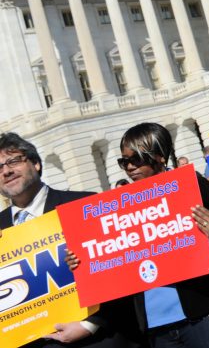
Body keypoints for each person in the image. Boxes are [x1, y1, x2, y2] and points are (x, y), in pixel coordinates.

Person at [70, 123, 209, 347]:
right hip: (158, 331)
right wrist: (81, 260)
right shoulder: (118, 205)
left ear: (160, 156)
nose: (130, 167)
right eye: (124, 161)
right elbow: (111, 264)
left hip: (206, 317)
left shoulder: (193, 185)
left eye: (137, 159)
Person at [0, 133, 140, 348]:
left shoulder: (87, 204)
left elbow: (126, 272)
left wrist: (90, 325)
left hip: (98, 340)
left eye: (13, 161)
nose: (6, 171)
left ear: (36, 163)